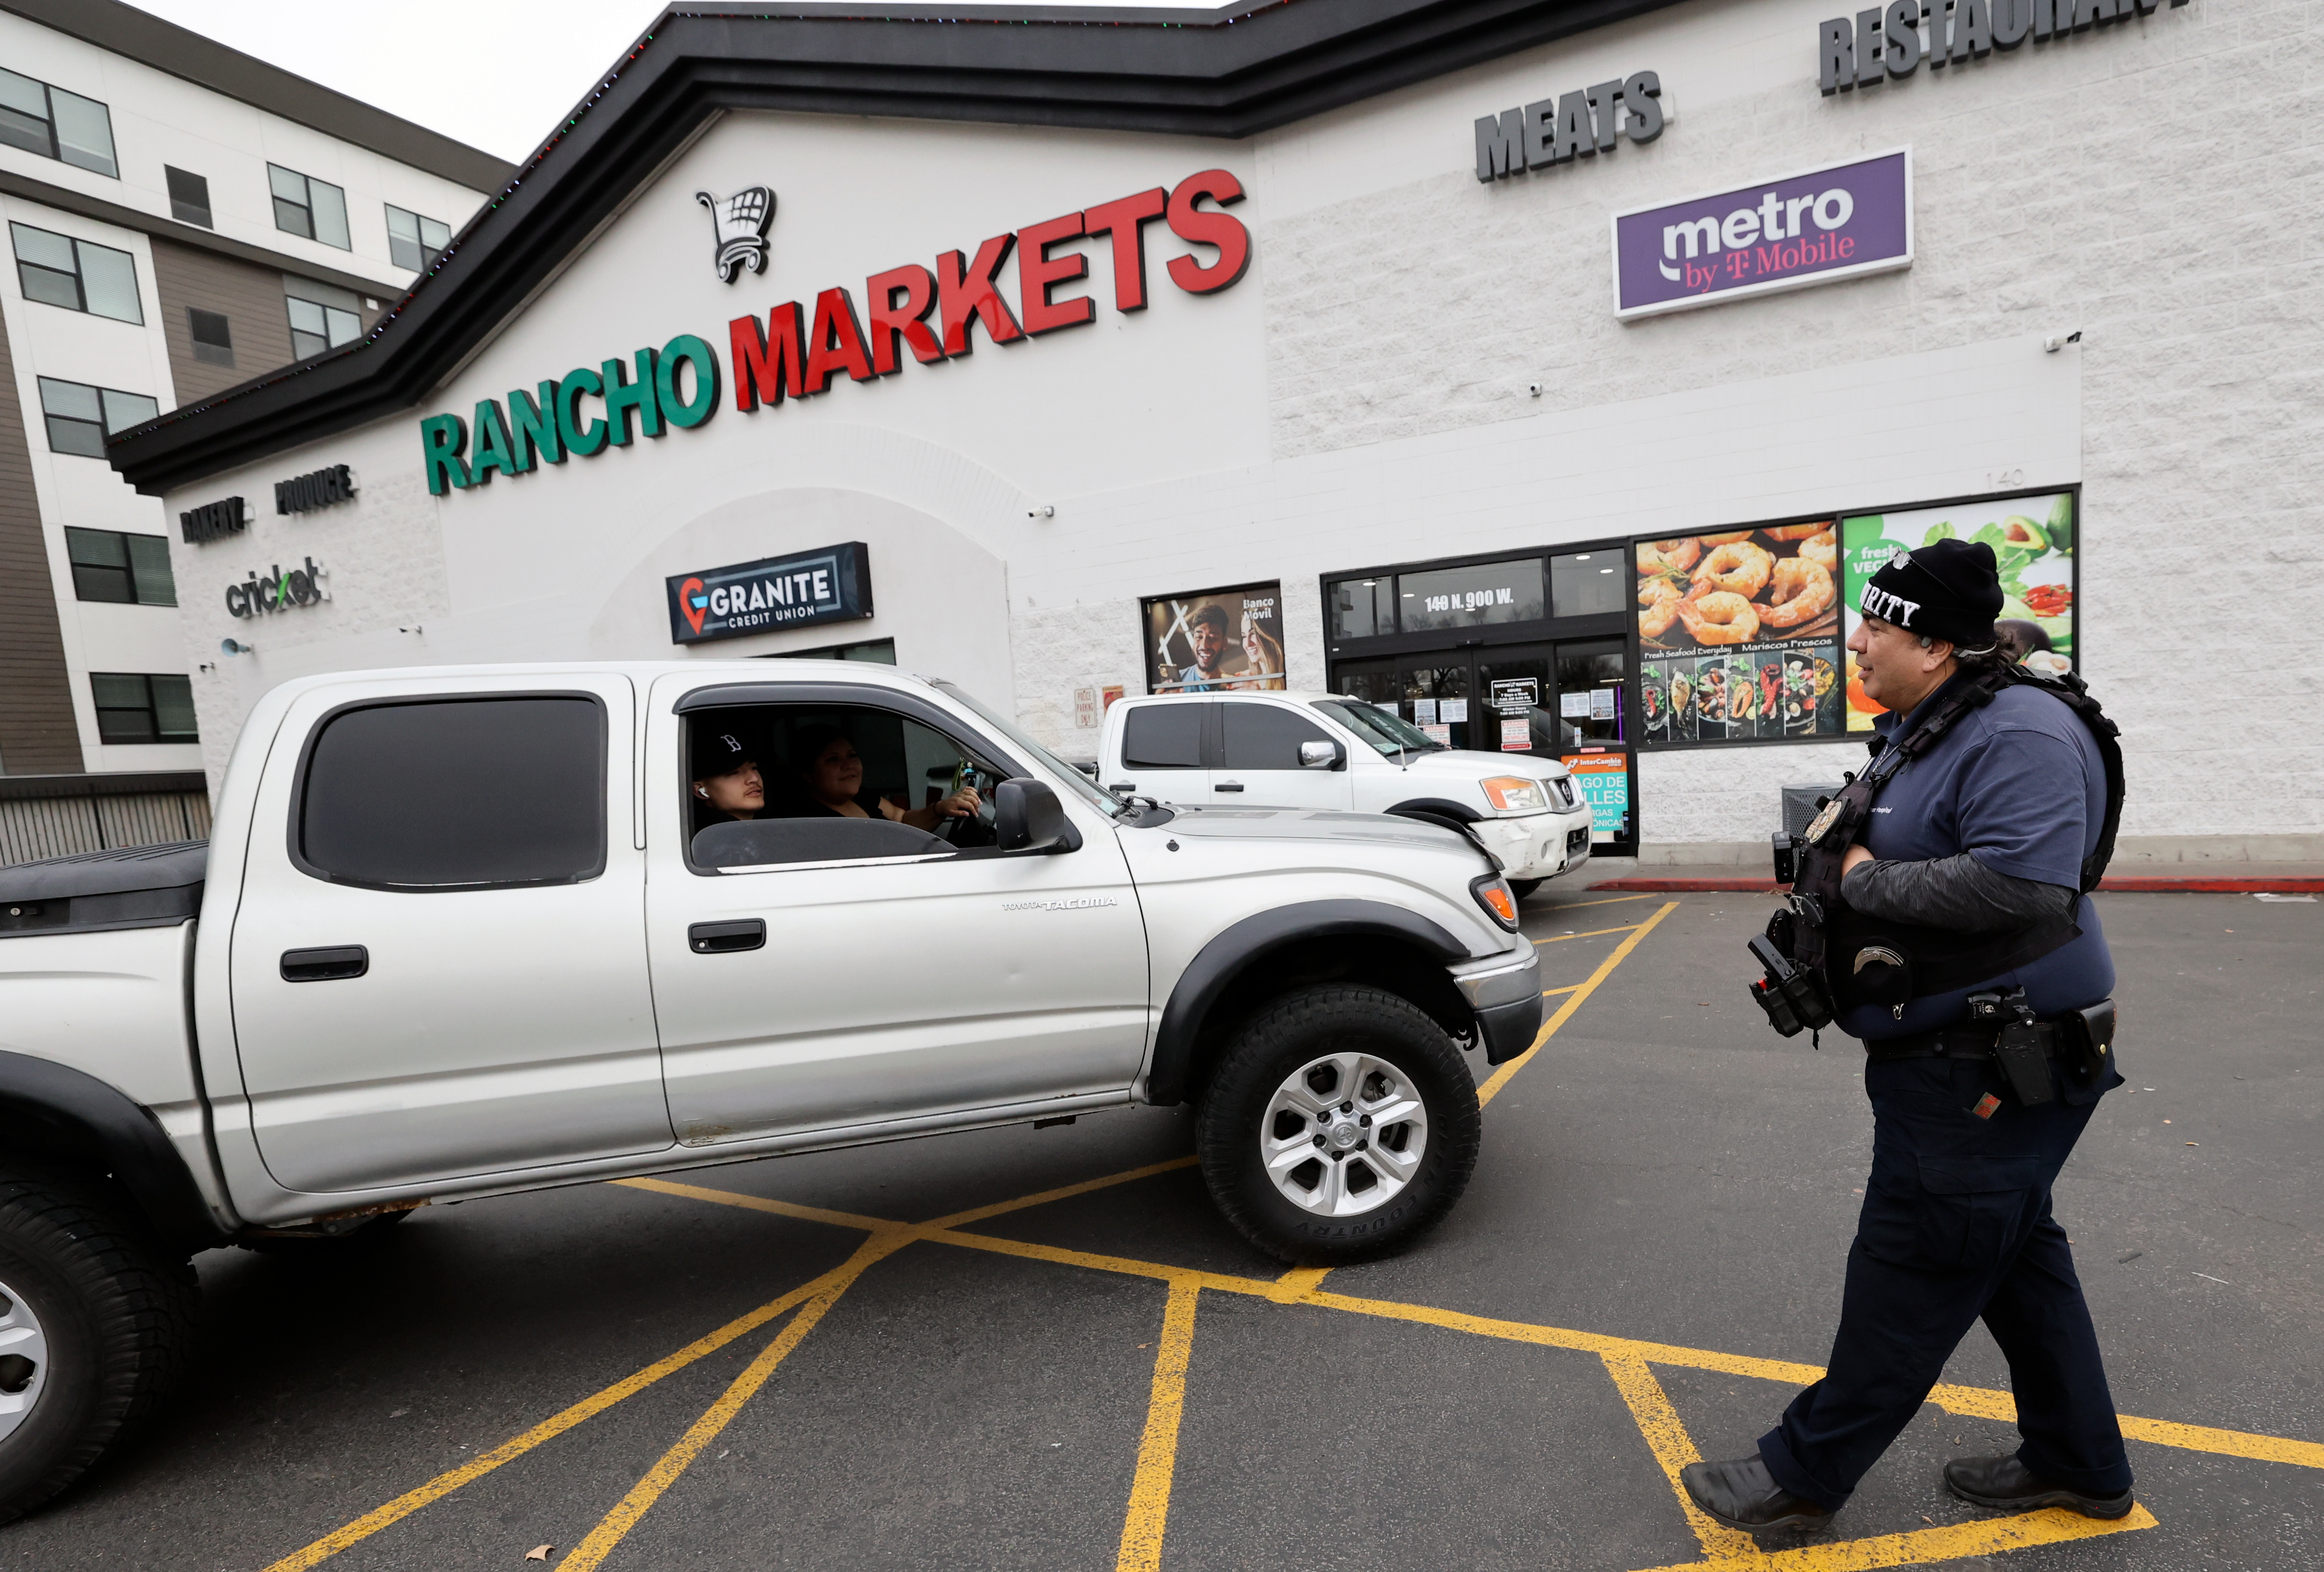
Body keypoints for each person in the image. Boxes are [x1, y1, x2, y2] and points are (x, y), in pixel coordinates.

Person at [1686, 539, 2132, 1532]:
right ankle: (2080, 1461)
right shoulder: (1945, 718)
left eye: (1874, 626)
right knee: (2014, 1261)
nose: (1855, 641)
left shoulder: (2017, 732)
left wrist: (1856, 881)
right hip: (1962, 1054)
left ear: (1932, 645)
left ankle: (1800, 1475)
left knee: (1911, 1267)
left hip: (1987, 1063)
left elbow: (2022, 885)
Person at [782, 724, 980, 830]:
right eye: (833, 760)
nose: (848, 765)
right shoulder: (806, 821)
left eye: (852, 755)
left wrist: (941, 808)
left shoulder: (860, 796)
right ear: (807, 774)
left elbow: (901, 819)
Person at [691, 730, 765, 830]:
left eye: (754, 768)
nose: (754, 779)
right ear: (700, 790)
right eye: (734, 773)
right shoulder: (712, 841)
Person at [1171, 604, 1233, 692]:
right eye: (1199, 637)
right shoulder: (1178, 682)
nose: (1204, 645)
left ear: (1224, 643)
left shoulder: (1231, 688)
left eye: (1212, 638)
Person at [1229, 613, 1286, 691]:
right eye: (1244, 636)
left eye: (1253, 634)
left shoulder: (1288, 675)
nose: (1248, 644)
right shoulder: (1248, 680)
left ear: (1268, 635)